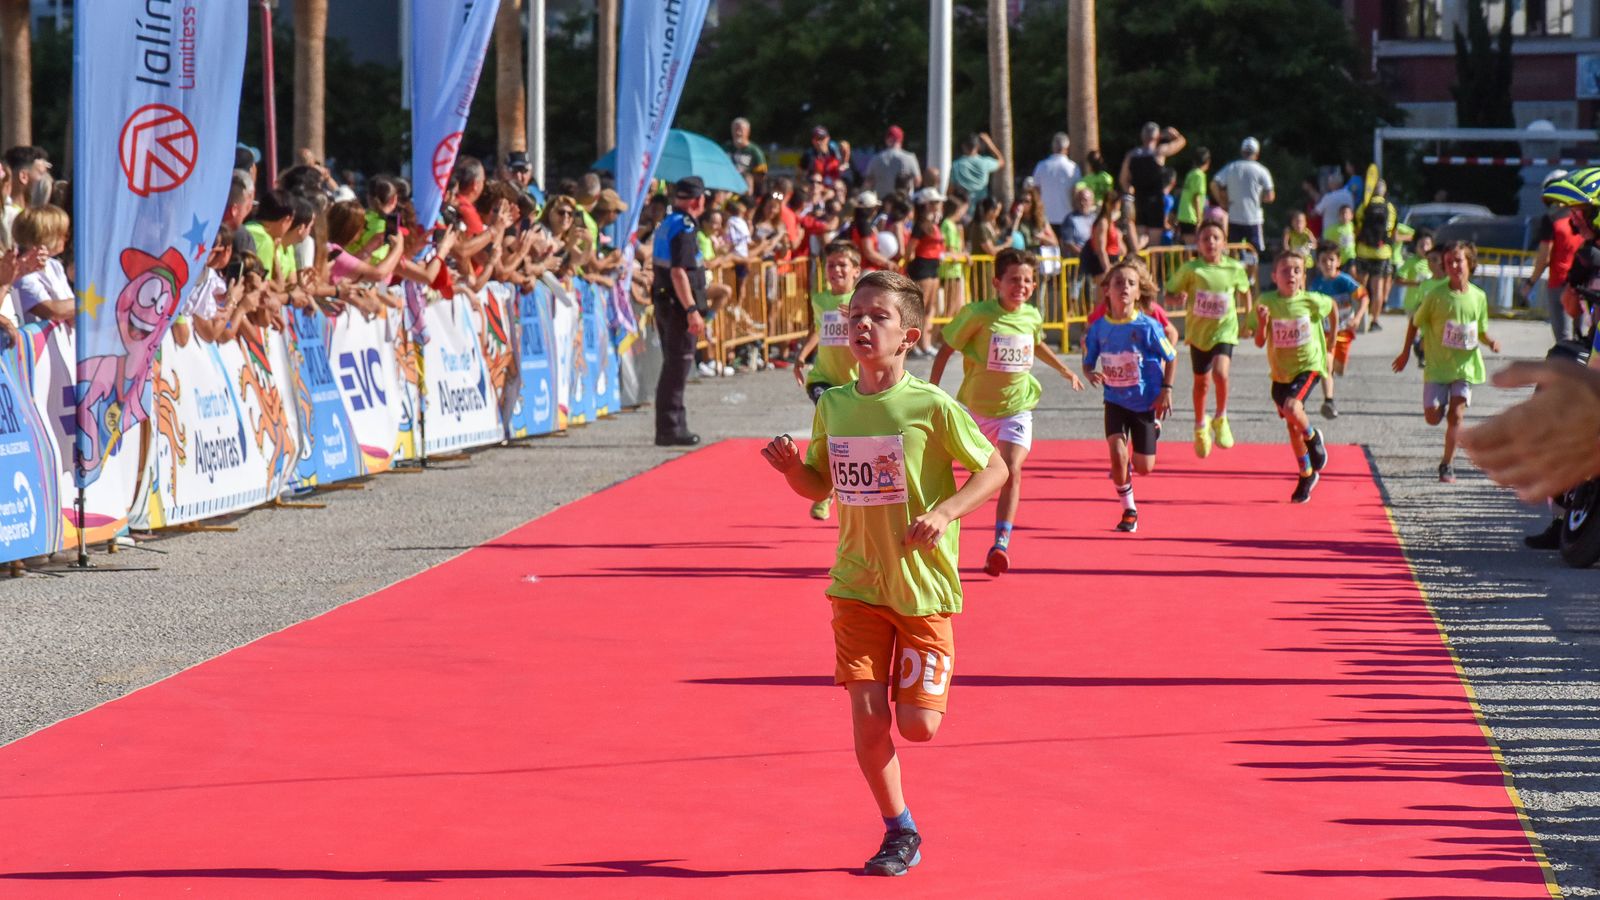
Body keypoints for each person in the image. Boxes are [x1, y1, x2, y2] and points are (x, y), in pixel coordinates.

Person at [759, 270, 1006, 879]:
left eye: (878, 317)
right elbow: (819, 483)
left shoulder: (931, 405)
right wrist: (793, 470)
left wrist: (945, 512)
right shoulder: (835, 406)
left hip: (921, 586)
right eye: (855, 314)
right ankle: (900, 829)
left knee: (918, 727)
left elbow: (994, 468)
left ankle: (922, 682)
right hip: (856, 585)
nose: (862, 324)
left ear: (908, 336)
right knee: (868, 719)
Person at [930, 247, 1083, 573]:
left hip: (1017, 409)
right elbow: (945, 349)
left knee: (1012, 469)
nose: (1022, 286)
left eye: (1028, 280)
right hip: (976, 409)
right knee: (962, 473)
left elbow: (1036, 341)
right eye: (1014, 280)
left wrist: (1062, 369)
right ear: (997, 282)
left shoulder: (1031, 315)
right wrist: (932, 389)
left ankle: (1000, 544)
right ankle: (938, 526)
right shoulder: (978, 314)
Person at [1391, 240, 1502, 483]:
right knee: (1432, 416)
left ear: (1470, 263)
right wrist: (1405, 352)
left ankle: (1447, 464)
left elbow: (1480, 329)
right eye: (1448, 262)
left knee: (1457, 415)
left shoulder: (1478, 297)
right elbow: (1415, 322)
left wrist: (1490, 341)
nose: (1453, 266)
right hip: (1438, 367)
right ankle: (1438, 409)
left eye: (1458, 261)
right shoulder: (1435, 295)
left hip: (1465, 366)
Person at [1083, 259, 1176, 533]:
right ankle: (1129, 510)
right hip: (1114, 400)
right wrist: (1089, 372)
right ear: (1107, 290)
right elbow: (1089, 361)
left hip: (1145, 401)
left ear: (1139, 292)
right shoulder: (1099, 328)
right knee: (1117, 453)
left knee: (1144, 466)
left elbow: (1171, 356)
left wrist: (1166, 390)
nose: (1124, 287)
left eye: (1131, 283)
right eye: (1119, 282)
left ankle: (1154, 428)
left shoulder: (1148, 326)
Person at [1164, 220, 1252, 457]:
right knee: (1201, 383)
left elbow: (1245, 293)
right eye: (1205, 238)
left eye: (1215, 237)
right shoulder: (1192, 269)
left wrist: (1249, 322)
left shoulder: (1234, 268)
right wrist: (1176, 299)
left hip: (1225, 331)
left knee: (1221, 373)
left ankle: (1221, 417)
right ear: (1198, 244)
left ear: (1224, 242)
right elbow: (1169, 294)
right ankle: (1201, 425)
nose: (1210, 242)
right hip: (1199, 334)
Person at [1254, 251, 1335, 503]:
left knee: (1292, 407)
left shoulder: (1312, 301)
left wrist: (1331, 345)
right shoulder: (1266, 301)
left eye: (1297, 270)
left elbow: (1332, 307)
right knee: (1291, 424)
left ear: (1303, 276)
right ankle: (1306, 473)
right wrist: (1261, 322)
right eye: (1286, 270)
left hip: (1308, 366)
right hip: (1281, 373)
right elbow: (1258, 342)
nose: (1292, 275)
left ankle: (1313, 437)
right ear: (1274, 276)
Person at [793, 240, 864, 520]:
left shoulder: (861, 300)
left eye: (841, 265)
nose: (835, 270)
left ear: (856, 270)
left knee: (844, 439)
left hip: (854, 382)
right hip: (822, 378)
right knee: (833, 426)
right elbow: (820, 329)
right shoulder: (820, 299)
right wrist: (802, 356)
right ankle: (824, 491)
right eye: (831, 265)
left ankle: (833, 489)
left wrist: (858, 317)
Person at [651, 177, 710, 447]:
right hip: (677, 308)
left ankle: (674, 424)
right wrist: (691, 309)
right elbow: (678, 271)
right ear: (698, 201)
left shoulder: (668, 222)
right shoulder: (685, 227)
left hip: (665, 303)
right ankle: (670, 427)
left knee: (673, 365)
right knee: (677, 366)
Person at [1307, 241, 1367, 417]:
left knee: (1339, 369)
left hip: (1343, 331)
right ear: (1318, 264)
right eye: (1324, 261)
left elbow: (1364, 298)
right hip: (1324, 333)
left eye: (1331, 260)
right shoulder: (1315, 285)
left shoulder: (1345, 281)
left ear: (1338, 262)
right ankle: (1329, 401)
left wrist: (1357, 318)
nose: (1328, 264)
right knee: (1327, 364)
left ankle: (1333, 376)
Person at [1526, 170, 1585, 344]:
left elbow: (1545, 256)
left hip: (1560, 283)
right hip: (1583, 283)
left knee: (1564, 340)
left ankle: (1568, 370)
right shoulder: (1583, 217)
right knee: (1582, 336)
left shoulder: (1551, 220)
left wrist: (1530, 283)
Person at [1211, 137, 1275, 277]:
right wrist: (1258, 197)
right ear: (1257, 153)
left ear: (1242, 151)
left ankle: (1234, 279)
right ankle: (1251, 281)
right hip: (1253, 218)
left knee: (1234, 250)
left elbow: (1214, 183)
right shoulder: (1261, 170)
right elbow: (1270, 196)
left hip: (1234, 216)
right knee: (1254, 252)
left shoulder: (1232, 167)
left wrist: (1222, 201)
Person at [1120, 123, 1187, 248]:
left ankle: (1139, 266)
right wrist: (1171, 134)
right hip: (1156, 203)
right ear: (1157, 137)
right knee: (1154, 246)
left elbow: (1123, 180)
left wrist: (1130, 193)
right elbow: (1181, 141)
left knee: (1139, 242)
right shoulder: (1159, 151)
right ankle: (1152, 267)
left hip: (1139, 201)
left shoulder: (1132, 155)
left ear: (1142, 136)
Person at [8, 205, 72, 324]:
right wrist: (90, 301)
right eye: (63, 233)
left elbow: (71, 315)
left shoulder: (55, 266)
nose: (67, 237)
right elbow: (52, 311)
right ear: (46, 235)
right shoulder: (20, 273)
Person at [1353, 179, 1398, 333]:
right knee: (1377, 288)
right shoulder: (1389, 207)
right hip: (1382, 252)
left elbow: (1357, 226)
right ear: (1384, 191)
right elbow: (1391, 229)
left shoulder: (1364, 206)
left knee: (1361, 286)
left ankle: (1359, 318)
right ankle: (1375, 321)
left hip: (1363, 251)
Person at [1032, 133, 1081, 237]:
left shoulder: (1041, 166)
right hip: (1067, 215)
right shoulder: (1073, 168)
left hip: (1046, 216)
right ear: (1067, 148)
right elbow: (1075, 192)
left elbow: (1036, 190)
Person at [948, 133, 1006, 208]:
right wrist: (989, 143)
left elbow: (950, 191)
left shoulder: (956, 165)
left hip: (962, 210)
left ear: (963, 146)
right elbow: (1002, 162)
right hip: (982, 209)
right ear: (978, 147)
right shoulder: (985, 162)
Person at [866, 125, 921, 196]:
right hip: (903, 202)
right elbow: (917, 182)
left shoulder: (875, 159)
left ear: (886, 140)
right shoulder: (910, 157)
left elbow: (868, 182)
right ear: (901, 140)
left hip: (882, 203)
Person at [725, 117, 769, 196]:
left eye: (741, 130)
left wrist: (746, 176)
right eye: (735, 129)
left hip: (747, 191)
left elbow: (762, 176)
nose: (738, 133)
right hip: (728, 188)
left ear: (748, 132)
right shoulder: (726, 148)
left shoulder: (754, 151)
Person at [1177, 148, 1210, 240]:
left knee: (1188, 248)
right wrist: (1199, 219)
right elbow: (1196, 197)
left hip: (1183, 214)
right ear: (1207, 162)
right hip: (1191, 216)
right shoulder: (1199, 175)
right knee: (1192, 247)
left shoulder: (1190, 174)